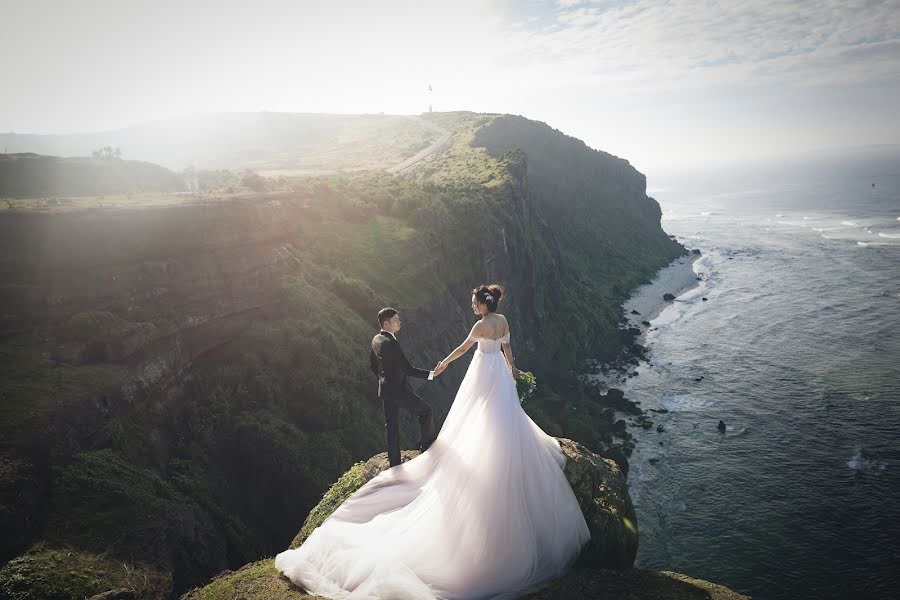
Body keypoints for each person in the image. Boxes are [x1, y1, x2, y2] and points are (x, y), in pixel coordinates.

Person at [275, 284, 590, 599]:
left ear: (482, 304)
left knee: (475, 414)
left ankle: (479, 450)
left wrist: (443, 364)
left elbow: (464, 348)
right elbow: (508, 350)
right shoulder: (503, 321)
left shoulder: (480, 325)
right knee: (502, 413)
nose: (471, 305)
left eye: (473, 302)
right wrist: (513, 371)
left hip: (481, 373)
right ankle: (500, 450)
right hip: (498, 374)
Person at [369, 307, 438, 468]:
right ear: (386, 324)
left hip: (385, 390)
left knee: (391, 427)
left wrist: (383, 379)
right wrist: (431, 374)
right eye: (396, 320)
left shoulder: (376, 339)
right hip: (399, 390)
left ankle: (394, 464)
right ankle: (427, 450)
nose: (400, 322)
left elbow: (372, 364)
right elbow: (407, 368)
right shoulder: (391, 343)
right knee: (425, 412)